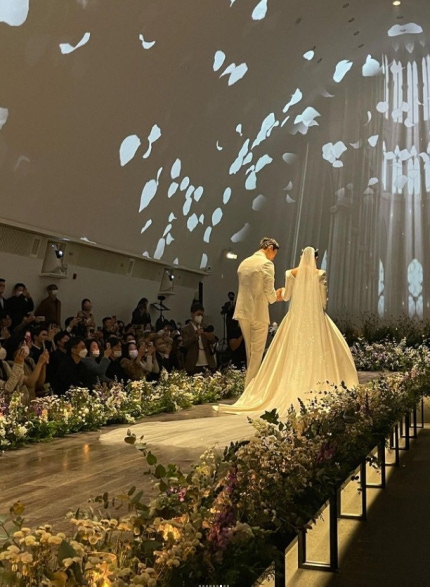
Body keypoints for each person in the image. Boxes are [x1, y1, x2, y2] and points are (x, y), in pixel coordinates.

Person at [216, 247, 359, 416]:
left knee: (288, 354)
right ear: (315, 258)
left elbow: (287, 296)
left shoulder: (290, 273)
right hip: (316, 318)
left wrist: (281, 293)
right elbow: (323, 301)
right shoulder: (320, 274)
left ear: (301, 257)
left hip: (294, 319)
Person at [233, 237, 283, 388]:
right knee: (256, 354)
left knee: (249, 351)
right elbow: (270, 293)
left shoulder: (244, 263)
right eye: (274, 254)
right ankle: (251, 391)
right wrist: (277, 296)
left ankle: (249, 389)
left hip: (243, 311)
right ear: (270, 248)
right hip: (258, 312)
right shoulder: (266, 264)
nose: (273, 257)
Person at [181, 302, 217, 375]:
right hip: (194, 363)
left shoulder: (205, 326)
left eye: (202, 315)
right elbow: (185, 343)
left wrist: (210, 337)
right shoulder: (186, 329)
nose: (200, 317)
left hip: (208, 362)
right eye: (198, 314)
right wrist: (196, 336)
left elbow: (214, 340)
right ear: (192, 314)